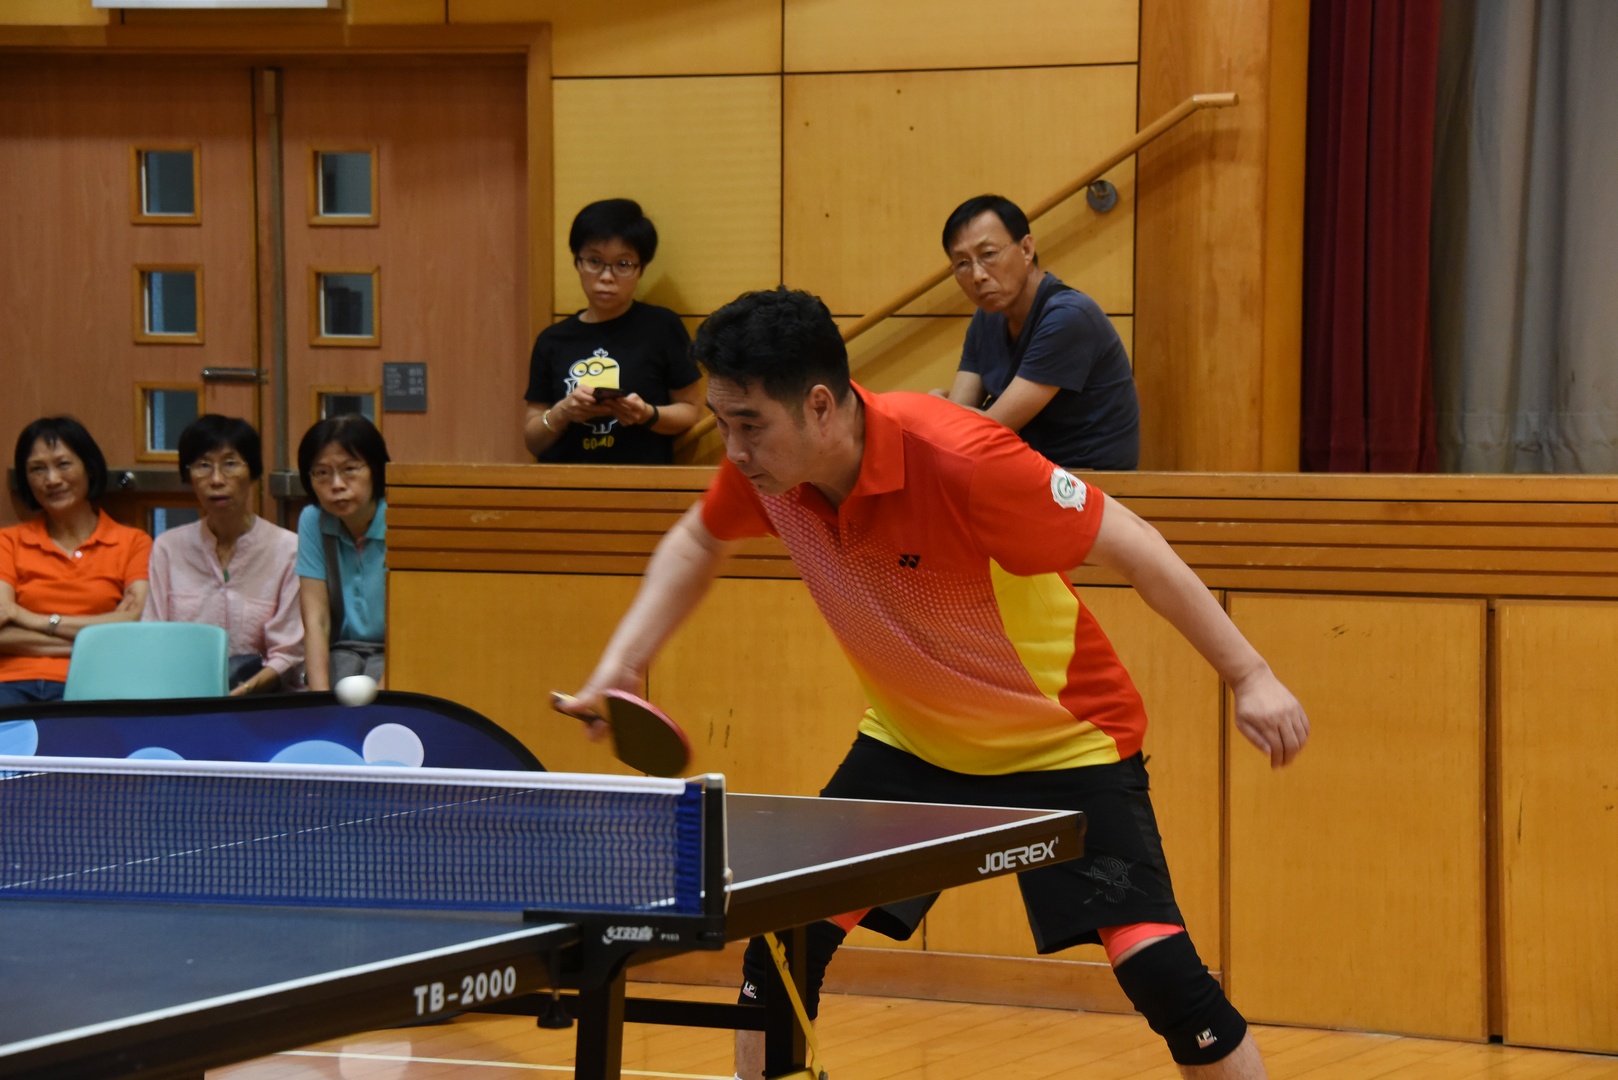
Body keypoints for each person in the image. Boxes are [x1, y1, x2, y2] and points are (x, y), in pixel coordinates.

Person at [559, 288, 1309, 1079]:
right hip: (911, 744)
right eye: (724, 423)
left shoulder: (962, 459)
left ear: (820, 406)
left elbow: (1133, 542)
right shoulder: (769, 473)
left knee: (1161, 974)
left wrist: (1251, 675)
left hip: (1063, 743)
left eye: (750, 424)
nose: (734, 449)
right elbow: (696, 541)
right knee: (780, 948)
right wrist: (624, 662)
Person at [934, 193, 1140, 470]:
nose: (977, 275)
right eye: (962, 263)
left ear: (1026, 249)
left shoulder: (1068, 317)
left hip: (1087, 484)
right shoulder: (986, 319)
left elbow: (990, 430)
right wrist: (941, 415)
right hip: (1031, 474)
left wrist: (934, 411)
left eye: (988, 254)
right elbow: (957, 424)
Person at [523, 198, 705, 463]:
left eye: (623, 264)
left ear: (641, 269)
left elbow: (690, 411)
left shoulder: (662, 327)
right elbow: (532, 440)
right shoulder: (552, 340)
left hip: (641, 479)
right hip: (564, 480)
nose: (606, 276)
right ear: (577, 262)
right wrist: (563, 412)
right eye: (594, 261)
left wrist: (646, 414)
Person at [143, 415, 302, 694]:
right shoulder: (168, 547)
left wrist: (244, 691)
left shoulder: (288, 549)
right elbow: (153, 636)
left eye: (230, 464)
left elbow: (288, 652)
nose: (216, 480)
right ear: (188, 476)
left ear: (252, 473)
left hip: (261, 697)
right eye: (203, 466)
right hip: (184, 695)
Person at [0, 417, 151, 705]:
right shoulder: (6, 542)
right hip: (8, 684)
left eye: (63, 464)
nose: (52, 480)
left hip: (93, 681)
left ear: (89, 467)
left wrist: (28, 618)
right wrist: (95, 639)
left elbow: (129, 627)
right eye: (37, 469)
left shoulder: (133, 542)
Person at [294, 414, 389, 692]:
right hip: (343, 655)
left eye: (350, 469)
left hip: (397, 654)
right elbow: (317, 622)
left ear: (376, 469)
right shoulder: (313, 520)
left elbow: (412, 626)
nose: (336, 485)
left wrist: (384, 697)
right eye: (322, 473)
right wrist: (320, 700)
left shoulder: (401, 518)